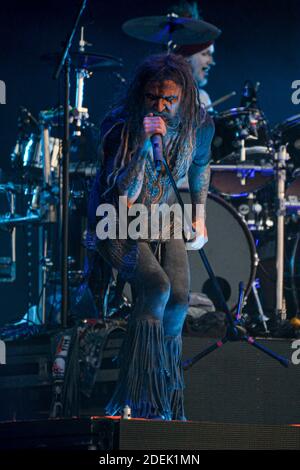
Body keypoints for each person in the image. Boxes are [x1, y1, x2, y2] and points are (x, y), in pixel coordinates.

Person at [86, 53, 214, 420]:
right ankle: (136, 396)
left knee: (178, 296)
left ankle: (165, 401)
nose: (160, 106)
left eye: (168, 99)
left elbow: (202, 166)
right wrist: (143, 146)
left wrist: (200, 215)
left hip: (161, 214)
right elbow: (124, 197)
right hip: (115, 217)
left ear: (183, 98)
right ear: (139, 95)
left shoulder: (200, 126)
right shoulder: (118, 126)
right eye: (152, 98)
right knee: (155, 287)